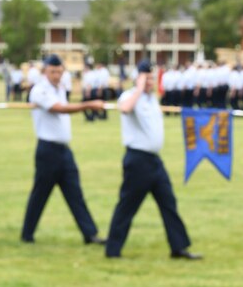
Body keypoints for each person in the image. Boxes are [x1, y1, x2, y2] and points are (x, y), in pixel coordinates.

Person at [104, 61, 200, 260]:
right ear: (137, 78)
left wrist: (144, 90)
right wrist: (138, 88)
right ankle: (113, 250)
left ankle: (178, 247)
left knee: (168, 202)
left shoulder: (152, 99)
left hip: (154, 160)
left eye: (151, 78)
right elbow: (125, 109)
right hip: (137, 160)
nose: (150, 82)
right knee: (127, 206)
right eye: (146, 78)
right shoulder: (130, 96)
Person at [20, 54, 106, 245]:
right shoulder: (39, 90)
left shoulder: (60, 87)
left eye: (59, 71)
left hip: (64, 150)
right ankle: (27, 234)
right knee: (40, 194)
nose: (56, 75)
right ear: (45, 71)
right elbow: (58, 109)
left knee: (75, 193)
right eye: (53, 71)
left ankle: (89, 234)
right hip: (47, 150)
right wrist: (88, 105)